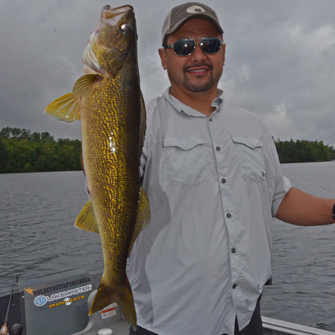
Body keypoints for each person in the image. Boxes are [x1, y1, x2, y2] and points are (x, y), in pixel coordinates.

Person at [125, 3, 335, 335]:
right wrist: (98, 131)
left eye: (208, 44)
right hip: (168, 323)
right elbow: (107, 183)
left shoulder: (253, 126)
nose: (197, 55)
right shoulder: (140, 123)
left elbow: (278, 197)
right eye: (183, 46)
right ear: (164, 58)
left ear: (223, 53)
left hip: (245, 317)